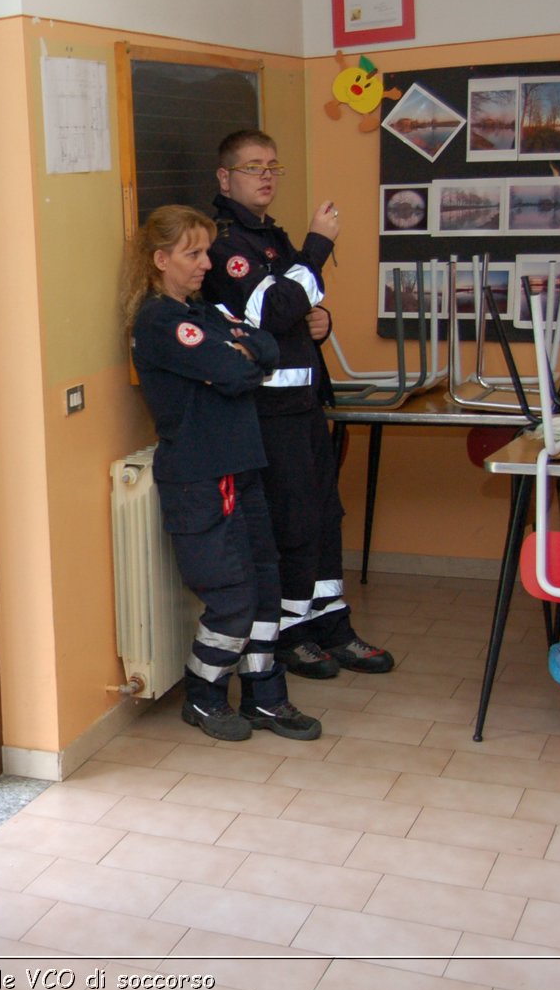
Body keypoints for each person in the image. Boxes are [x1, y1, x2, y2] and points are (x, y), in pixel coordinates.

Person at [203, 129, 394, 680]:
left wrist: (321, 322)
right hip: (267, 411)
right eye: (252, 167)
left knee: (324, 515)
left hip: (305, 405)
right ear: (225, 177)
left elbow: (298, 307)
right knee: (291, 521)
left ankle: (331, 623)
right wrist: (317, 246)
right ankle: (290, 633)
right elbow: (272, 309)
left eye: (273, 166)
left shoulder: (269, 235)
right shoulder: (225, 243)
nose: (266, 176)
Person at [126, 205, 322, 743]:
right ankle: (205, 693)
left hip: (243, 468)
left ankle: (266, 696)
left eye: (207, 251)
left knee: (264, 585)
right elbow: (237, 371)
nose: (205, 263)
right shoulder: (161, 321)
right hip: (202, 478)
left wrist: (243, 356)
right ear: (160, 260)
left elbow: (265, 347)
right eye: (192, 253)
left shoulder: (204, 312)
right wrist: (240, 361)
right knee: (231, 596)